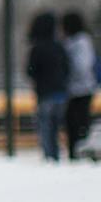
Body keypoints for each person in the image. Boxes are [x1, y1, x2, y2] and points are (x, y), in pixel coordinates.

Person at [27, 10, 71, 162]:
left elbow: (31, 71)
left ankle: (50, 156)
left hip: (45, 93)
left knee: (45, 127)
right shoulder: (59, 47)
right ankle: (57, 154)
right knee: (57, 126)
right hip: (61, 93)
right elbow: (67, 68)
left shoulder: (37, 48)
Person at [61, 10, 101, 160]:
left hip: (82, 88)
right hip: (75, 89)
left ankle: (81, 152)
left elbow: (82, 65)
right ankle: (76, 152)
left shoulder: (81, 42)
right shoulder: (74, 41)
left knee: (79, 122)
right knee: (73, 122)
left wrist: (68, 71)